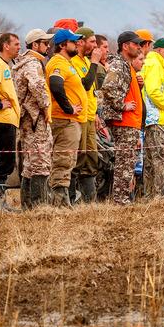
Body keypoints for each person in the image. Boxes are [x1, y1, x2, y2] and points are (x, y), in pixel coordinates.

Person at [102, 31, 145, 205]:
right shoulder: (119, 65)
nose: (139, 47)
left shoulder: (127, 66)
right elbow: (108, 87)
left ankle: (123, 199)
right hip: (124, 122)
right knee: (124, 164)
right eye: (135, 44)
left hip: (131, 122)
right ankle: (121, 201)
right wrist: (122, 105)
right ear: (125, 46)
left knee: (127, 163)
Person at [14, 29, 54, 209]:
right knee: (40, 160)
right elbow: (37, 86)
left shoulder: (23, 63)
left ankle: (28, 205)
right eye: (45, 43)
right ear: (35, 45)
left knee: (30, 162)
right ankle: (39, 205)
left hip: (27, 119)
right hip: (34, 118)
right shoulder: (32, 63)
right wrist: (46, 106)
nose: (48, 47)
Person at [45, 29, 86, 206]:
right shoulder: (58, 62)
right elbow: (55, 84)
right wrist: (68, 108)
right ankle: (59, 202)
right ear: (62, 45)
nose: (77, 44)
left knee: (68, 160)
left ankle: (61, 200)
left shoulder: (66, 63)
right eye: (73, 42)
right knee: (64, 159)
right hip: (64, 120)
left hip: (71, 120)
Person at [0, 33, 22, 212]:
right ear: (6, 46)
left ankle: (0, 202)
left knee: (7, 161)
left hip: (9, 119)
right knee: (4, 161)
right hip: (2, 119)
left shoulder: (6, 65)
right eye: (16, 44)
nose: (19, 47)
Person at [141, 38, 164, 199]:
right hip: (156, 117)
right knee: (163, 157)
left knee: (151, 159)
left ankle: (149, 196)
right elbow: (153, 91)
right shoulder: (155, 64)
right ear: (158, 50)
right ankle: (163, 195)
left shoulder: (153, 63)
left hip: (151, 118)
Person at [69, 27, 104, 203]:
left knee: (91, 157)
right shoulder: (74, 62)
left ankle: (89, 200)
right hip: (79, 117)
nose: (95, 46)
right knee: (78, 156)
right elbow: (86, 84)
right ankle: (70, 197)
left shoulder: (86, 62)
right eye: (92, 42)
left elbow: (93, 91)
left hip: (90, 116)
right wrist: (95, 62)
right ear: (81, 42)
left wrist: (96, 113)